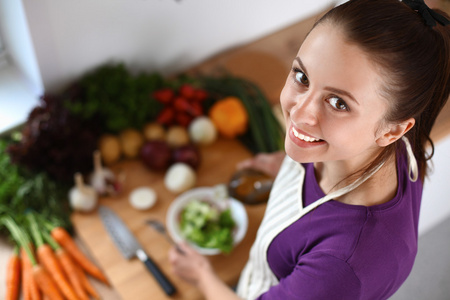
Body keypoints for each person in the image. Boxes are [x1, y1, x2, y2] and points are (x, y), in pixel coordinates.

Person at [168, 0, 450, 299]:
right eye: (302, 77)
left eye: (339, 103)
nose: (299, 113)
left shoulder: (344, 265)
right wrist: (288, 168)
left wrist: (202, 276)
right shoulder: (378, 144)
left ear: (392, 130)